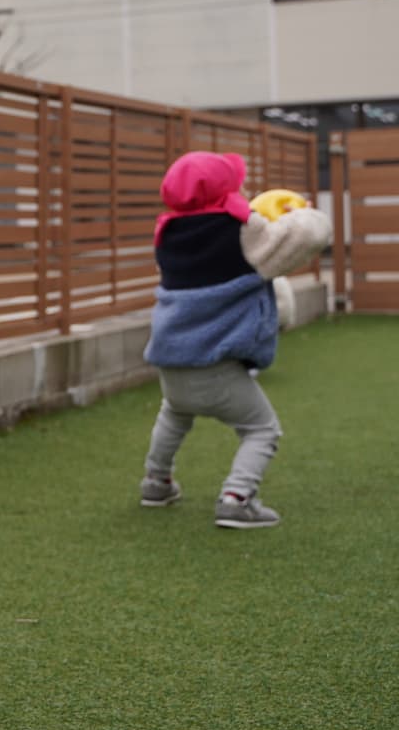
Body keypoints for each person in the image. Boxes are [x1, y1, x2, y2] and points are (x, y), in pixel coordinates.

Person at [139, 151, 330, 529]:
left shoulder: (168, 235)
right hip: (216, 362)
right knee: (261, 429)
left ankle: (156, 483)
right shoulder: (243, 231)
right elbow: (308, 236)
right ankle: (237, 498)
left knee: (174, 414)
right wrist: (303, 213)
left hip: (171, 360)